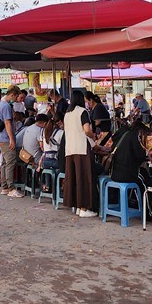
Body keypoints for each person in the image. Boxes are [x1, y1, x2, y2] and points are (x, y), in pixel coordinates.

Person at [63, 89, 98, 217]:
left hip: (70, 149)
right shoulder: (83, 112)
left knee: (74, 178)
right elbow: (87, 130)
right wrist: (93, 137)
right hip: (82, 148)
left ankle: (78, 206)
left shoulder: (67, 114)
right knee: (84, 178)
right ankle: (84, 208)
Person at [0, 86, 24, 198]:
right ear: (12, 94)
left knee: (4, 163)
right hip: (6, 138)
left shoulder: (1, 104)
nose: (17, 98)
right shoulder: (6, 106)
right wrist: (12, 139)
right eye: (17, 96)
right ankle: (11, 188)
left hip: (2, 138)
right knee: (10, 163)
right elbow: (7, 123)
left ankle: (4, 187)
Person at [108, 120, 149, 187]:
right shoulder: (133, 136)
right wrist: (145, 151)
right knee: (144, 176)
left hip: (114, 174)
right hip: (127, 175)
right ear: (140, 130)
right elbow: (141, 156)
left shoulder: (120, 134)